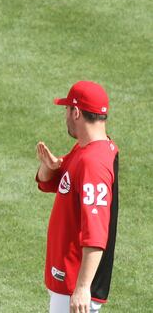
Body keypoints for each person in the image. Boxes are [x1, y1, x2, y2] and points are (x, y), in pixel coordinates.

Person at [36, 81, 119, 313]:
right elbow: (52, 183)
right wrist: (49, 167)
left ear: (76, 112)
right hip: (68, 281)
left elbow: (96, 231)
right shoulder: (86, 150)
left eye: (66, 110)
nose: (65, 116)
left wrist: (83, 287)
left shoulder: (93, 163)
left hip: (75, 285)